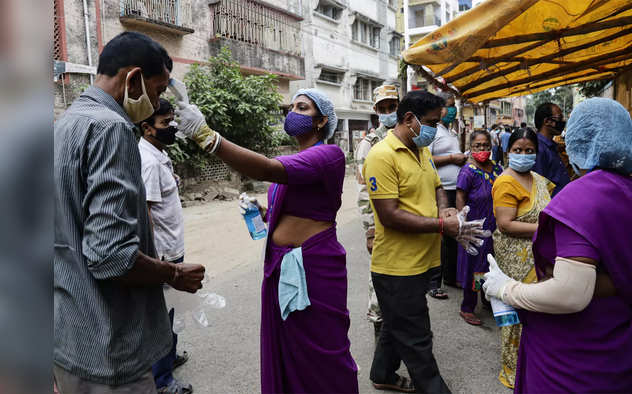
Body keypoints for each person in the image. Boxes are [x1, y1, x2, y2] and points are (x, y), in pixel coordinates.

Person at [174, 87, 359, 393]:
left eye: (303, 108)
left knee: (323, 351)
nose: (293, 112)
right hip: (281, 265)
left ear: (322, 120)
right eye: (292, 107)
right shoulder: (297, 158)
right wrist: (262, 211)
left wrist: (207, 136)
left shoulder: (329, 154)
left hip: (313, 268)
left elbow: (266, 168)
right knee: (289, 351)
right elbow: (297, 208)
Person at [54, 32, 205, 393]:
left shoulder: (65, 124)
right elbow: (111, 257)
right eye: (157, 90)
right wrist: (172, 273)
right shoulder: (112, 129)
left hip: (69, 334)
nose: (156, 103)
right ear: (134, 79)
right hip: (111, 346)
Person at [483, 98, 632, 393]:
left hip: (572, 357)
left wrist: (506, 289)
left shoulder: (581, 198)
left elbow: (571, 294)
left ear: (580, 141)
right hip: (620, 344)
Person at [363, 90, 460, 393]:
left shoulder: (422, 151)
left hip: (422, 260)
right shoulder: (381, 156)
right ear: (409, 119)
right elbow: (390, 215)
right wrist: (443, 224)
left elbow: (437, 186)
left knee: (396, 323)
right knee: (417, 336)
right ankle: (433, 387)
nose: (435, 130)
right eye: (431, 123)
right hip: (396, 268)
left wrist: (445, 207)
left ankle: (382, 373)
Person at [489, 127, 555, 388]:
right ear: (508, 151)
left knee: (535, 311)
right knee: (514, 314)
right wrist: (546, 231)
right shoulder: (506, 182)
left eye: (529, 151)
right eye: (518, 150)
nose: (523, 155)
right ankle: (512, 370)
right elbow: (505, 224)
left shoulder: (538, 179)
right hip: (514, 256)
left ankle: (533, 365)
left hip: (537, 256)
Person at [138, 98, 192, 394]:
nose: (171, 127)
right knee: (161, 316)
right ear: (147, 128)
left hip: (171, 246)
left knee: (172, 310)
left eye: (172, 121)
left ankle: (168, 359)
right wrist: (156, 258)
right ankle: (162, 381)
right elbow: (144, 213)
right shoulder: (147, 161)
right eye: (165, 123)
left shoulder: (158, 154)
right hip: (162, 251)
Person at [355, 84, 399, 340]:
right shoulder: (370, 143)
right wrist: (370, 229)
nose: (387, 112)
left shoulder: (409, 138)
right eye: (382, 108)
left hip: (405, 221)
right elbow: (363, 191)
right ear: (376, 111)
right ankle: (379, 333)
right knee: (380, 280)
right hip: (382, 224)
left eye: (391, 107)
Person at [455, 129, 503, 325]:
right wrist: (462, 223)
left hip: (494, 227)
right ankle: (467, 307)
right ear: (470, 148)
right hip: (474, 226)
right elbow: (460, 196)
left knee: (489, 265)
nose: (482, 149)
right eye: (477, 146)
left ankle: (486, 299)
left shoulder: (498, 169)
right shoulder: (468, 171)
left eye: (485, 145)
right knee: (473, 267)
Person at [428, 91, 468, 298]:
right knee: (440, 238)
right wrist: (452, 157)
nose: (452, 110)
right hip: (440, 189)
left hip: (455, 188)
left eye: (454, 106)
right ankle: (434, 282)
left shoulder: (451, 132)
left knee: (454, 234)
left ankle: (451, 277)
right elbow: (426, 159)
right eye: (449, 106)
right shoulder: (432, 132)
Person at [532, 103, 570, 196]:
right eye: (559, 118)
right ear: (547, 121)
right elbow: (539, 188)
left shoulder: (552, 146)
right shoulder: (539, 149)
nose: (563, 121)